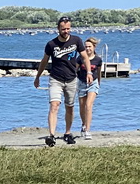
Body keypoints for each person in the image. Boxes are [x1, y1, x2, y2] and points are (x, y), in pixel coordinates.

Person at [34, 16, 89, 147]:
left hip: (71, 79)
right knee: (54, 105)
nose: (66, 31)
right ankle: (51, 135)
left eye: (68, 28)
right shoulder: (51, 44)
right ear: (58, 29)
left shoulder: (76, 40)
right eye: (63, 29)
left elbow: (85, 57)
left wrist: (89, 72)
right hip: (55, 79)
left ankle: (67, 133)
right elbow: (44, 61)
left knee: (69, 107)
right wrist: (37, 77)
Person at [78, 36, 102, 140]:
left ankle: (88, 130)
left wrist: (99, 84)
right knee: (82, 107)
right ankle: (83, 124)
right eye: (86, 46)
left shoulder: (98, 59)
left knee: (89, 105)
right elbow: (75, 70)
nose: (87, 49)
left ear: (94, 47)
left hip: (93, 83)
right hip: (82, 83)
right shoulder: (80, 58)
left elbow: (99, 72)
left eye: (89, 47)